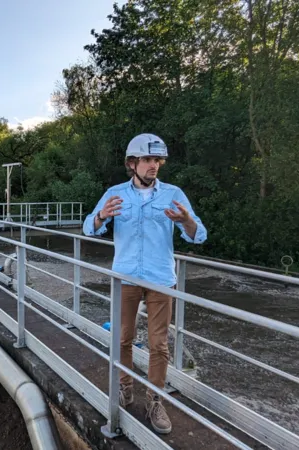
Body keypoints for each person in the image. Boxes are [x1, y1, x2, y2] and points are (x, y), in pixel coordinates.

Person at [83, 133, 207, 435]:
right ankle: (125, 388)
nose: (155, 165)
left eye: (158, 160)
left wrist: (186, 220)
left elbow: (198, 234)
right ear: (132, 163)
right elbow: (89, 228)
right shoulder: (116, 193)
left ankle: (154, 400)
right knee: (123, 338)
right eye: (148, 160)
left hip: (161, 279)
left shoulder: (173, 193)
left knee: (159, 344)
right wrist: (101, 216)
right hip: (125, 277)